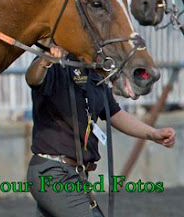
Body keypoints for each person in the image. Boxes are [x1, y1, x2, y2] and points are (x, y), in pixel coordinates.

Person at [25, 46, 176, 217]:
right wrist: (45, 60)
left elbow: (114, 113)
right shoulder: (53, 63)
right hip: (53, 173)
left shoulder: (94, 71)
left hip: (75, 175)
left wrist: (153, 134)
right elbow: (33, 79)